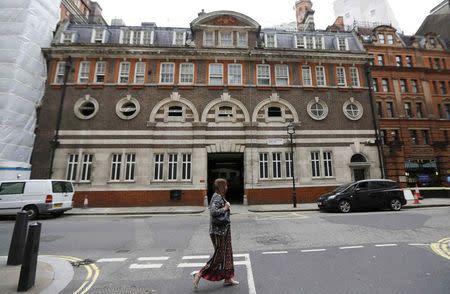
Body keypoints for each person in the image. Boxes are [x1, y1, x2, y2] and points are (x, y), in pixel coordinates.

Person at [192, 178, 239, 289]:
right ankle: (200, 273)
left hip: (224, 230)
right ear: (221, 186)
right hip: (218, 231)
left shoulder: (220, 196)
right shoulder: (216, 197)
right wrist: (226, 207)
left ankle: (228, 278)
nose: (227, 187)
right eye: (225, 185)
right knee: (219, 255)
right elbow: (213, 212)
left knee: (227, 254)